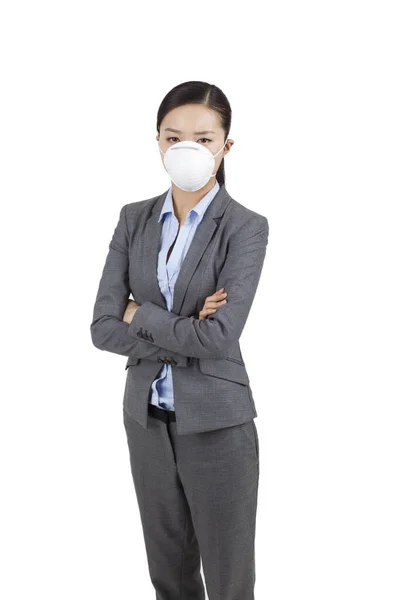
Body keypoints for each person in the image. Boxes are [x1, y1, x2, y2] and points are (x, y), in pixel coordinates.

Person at [90, 80, 270, 600]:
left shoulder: (245, 227)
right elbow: (102, 327)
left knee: (229, 577)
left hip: (218, 421)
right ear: (159, 143)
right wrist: (184, 326)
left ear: (225, 146)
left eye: (203, 138)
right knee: (168, 574)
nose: (186, 149)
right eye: (173, 137)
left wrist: (138, 313)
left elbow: (218, 338)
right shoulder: (134, 219)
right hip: (145, 420)